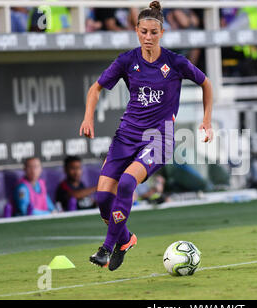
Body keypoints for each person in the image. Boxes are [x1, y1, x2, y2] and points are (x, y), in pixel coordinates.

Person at [79, 1, 213, 271]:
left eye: (153, 32)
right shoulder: (127, 61)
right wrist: (88, 116)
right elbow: (95, 89)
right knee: (103, 198)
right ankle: (125, 239)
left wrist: (206, 121)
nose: (148, 37)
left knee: (127, 183)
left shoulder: (175, 62)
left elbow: (206, 84)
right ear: (136, 31)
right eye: (143, 32)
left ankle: (106, 248)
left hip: (159, 139)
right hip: (126, 135)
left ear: (162, 32)